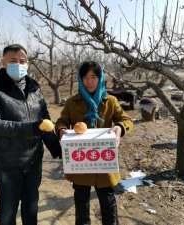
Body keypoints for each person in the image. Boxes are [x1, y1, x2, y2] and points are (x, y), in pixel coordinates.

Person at [0, 44, 61, 225]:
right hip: (8, 162)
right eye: (13, 61)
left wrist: (59, 149)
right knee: (8, 209)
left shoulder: (34, 88)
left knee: (31, 207)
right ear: (3, 62)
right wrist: (32, 128)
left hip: (33, 161)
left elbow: (44, 121)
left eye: (22, 61)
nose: (18, 64)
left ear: (28, 63)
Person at [56, 61, 133, 225]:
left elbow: (126, 120)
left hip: (104, 162)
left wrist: (119, 128)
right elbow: (62, 121)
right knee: (82, 205)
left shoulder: (110, 101)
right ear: (80, 79)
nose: (89, 81)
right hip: (81, 162)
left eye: (93, 77)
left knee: (108, 204)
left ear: (100, 78)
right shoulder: (72, 102)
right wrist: (62, 130)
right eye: (85, 77)